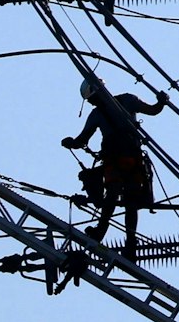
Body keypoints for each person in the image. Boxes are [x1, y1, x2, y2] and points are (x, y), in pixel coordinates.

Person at [62, 77, 167, 257]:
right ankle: (119, 238)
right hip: (124, 160)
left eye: (92, 99)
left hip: (125, 160)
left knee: (122, 199)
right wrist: (72, 143)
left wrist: (161, 102)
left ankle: (118, 238)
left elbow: (153, 110)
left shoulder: (121, 102)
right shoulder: (120, 103)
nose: (92, 103)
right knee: (122, 199)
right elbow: (82, 140)